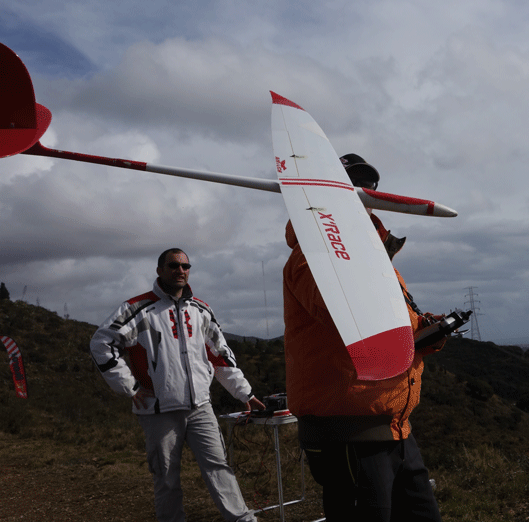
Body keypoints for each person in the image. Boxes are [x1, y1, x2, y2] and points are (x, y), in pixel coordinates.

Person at [283, 153, 447, 521]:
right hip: (349, 431)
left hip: (396, 427)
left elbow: (388, 329)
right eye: (349, 182)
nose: (361, 191)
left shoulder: (379, 262)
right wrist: (351, 248)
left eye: (367, 184)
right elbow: (342, 312)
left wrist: (425, 331)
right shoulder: (310, 255)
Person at [90, 248, 264, 522]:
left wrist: (245, 393)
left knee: (219, 468)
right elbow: (101, 342)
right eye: (173, 265)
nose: (180, 271)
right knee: (166, 478)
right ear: (160, 270)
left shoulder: (201, 310)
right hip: (158, 411)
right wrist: (129, 387)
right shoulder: (137, 308)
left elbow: (220, 354)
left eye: (185, 266)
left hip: (200, 408)